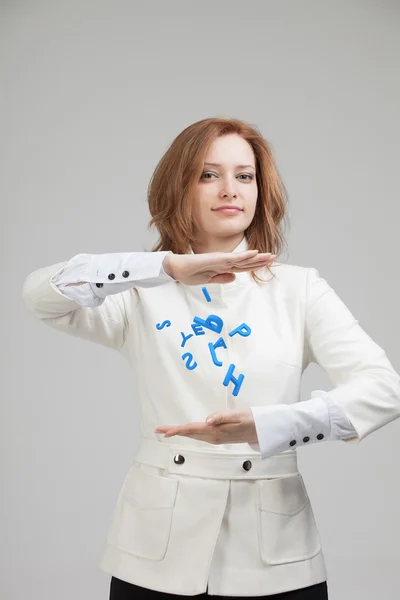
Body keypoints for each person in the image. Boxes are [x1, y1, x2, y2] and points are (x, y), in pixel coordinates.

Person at [22, 117, 400, 600]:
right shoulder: (139, 291)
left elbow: (384, 389)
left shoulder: (300, 289)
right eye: (208, 174)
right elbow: (40, 295)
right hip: (154, 552)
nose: (230, 190)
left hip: (275, 554)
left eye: (244, 176)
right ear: (177, 187)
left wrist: (272, 425)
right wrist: (163, 267)